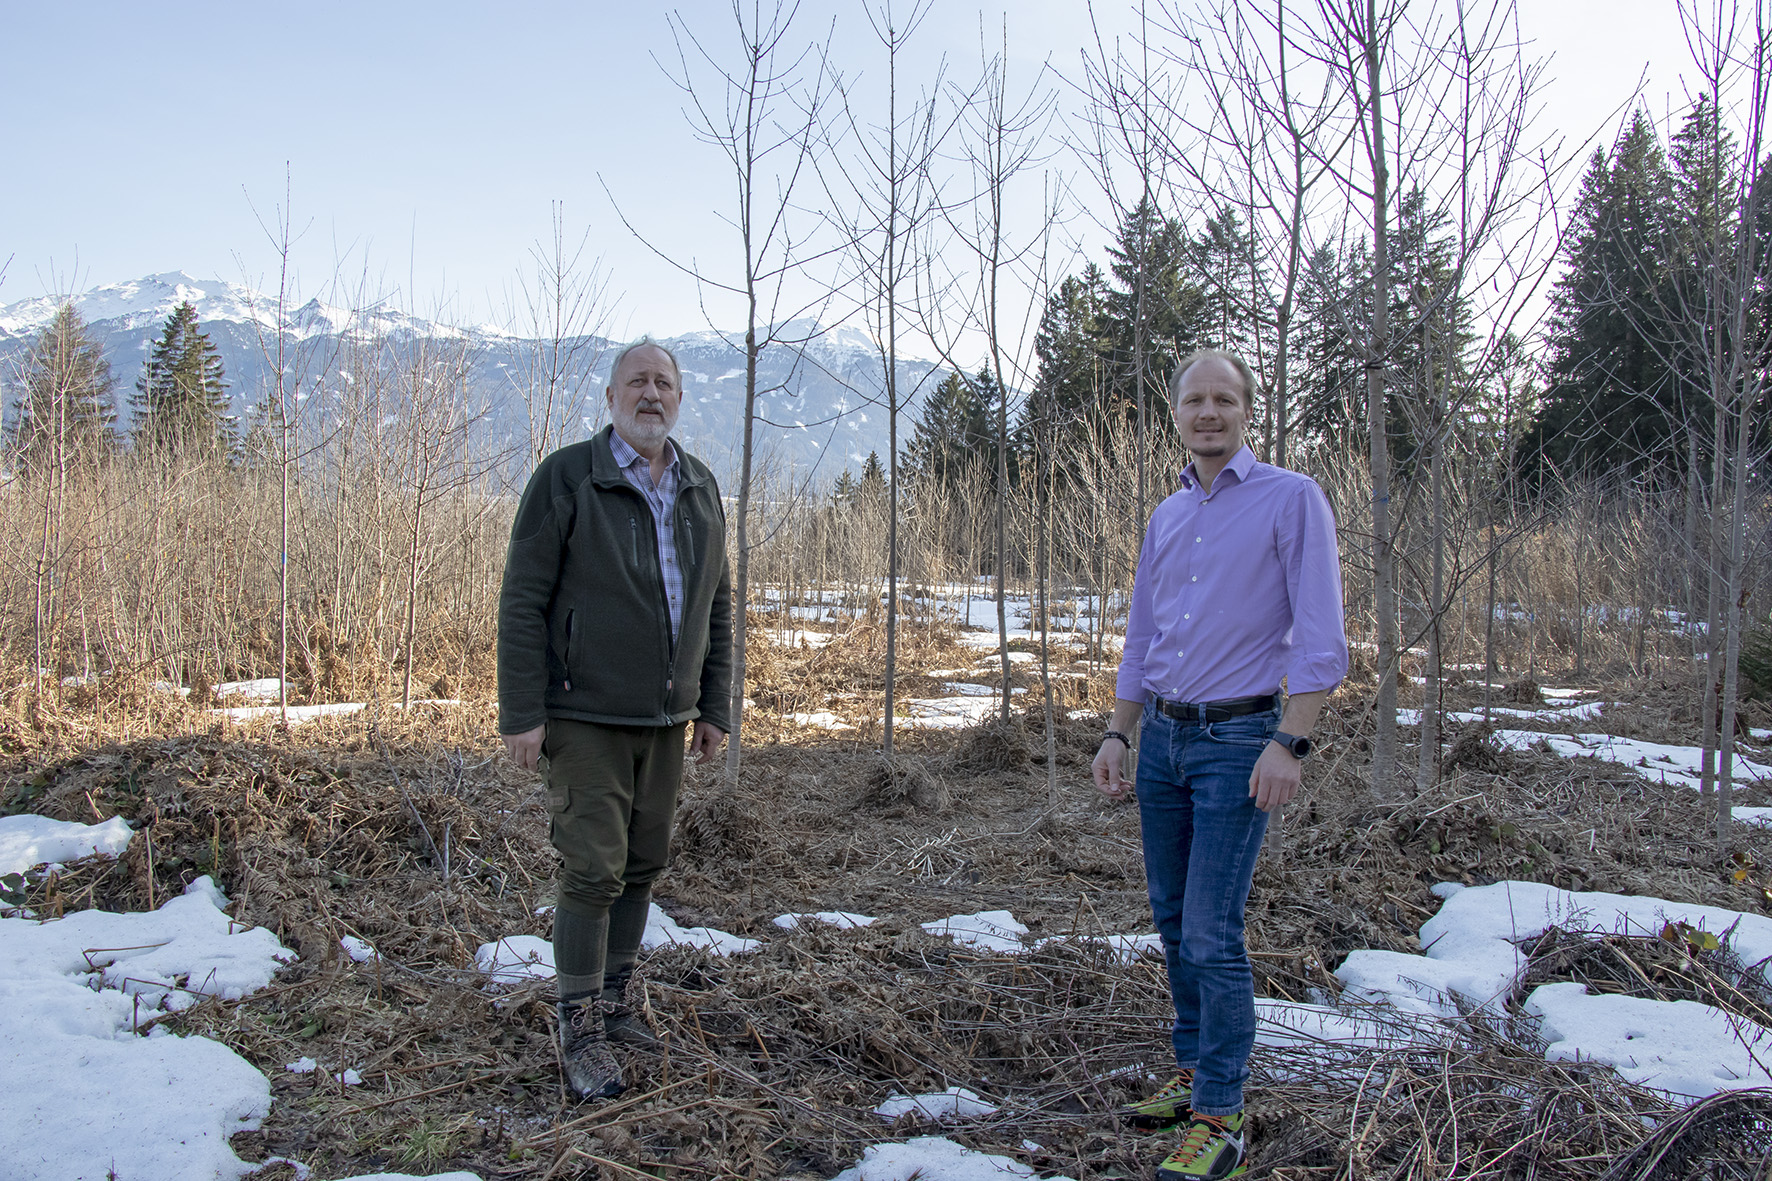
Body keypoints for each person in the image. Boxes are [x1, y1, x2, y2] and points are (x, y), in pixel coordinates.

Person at [1091, 349, 1347, 1178]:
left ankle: (1222, 1113)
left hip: (1242, 741)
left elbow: (1321, 637)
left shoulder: (1290, 498)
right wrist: (1119, 732)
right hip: (1161, 738)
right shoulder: (1166, 517)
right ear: (1176, 413)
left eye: (1224, 399)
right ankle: (1195, 1069)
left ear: (1247, 412)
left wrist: (1290, 739)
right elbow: (1143, 638)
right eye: (1195, 399)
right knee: (1171, 921)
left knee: (1211, 928)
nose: (1209, 412)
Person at [498, 337, 733, 1100]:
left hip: (667, 718)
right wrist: (522, 711)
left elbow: (716, 605)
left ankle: (617, 999)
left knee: (642, 864)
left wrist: (713, 704)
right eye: (638, 381)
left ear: (680, 396)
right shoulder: (568, 478)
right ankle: (579, 1024)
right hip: (583, 713)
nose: (651, 394)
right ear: (611, 396)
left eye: (665, 382)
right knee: (592, 869)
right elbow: (523, 599)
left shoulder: (699, 486)